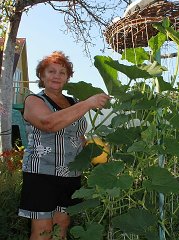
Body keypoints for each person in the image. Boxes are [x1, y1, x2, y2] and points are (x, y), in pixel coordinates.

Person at [18, 51, 110, 240]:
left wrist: (97, 154)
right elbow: (48, 124)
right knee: (43, 230)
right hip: (41, 174)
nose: (57, 76)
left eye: (62, 72)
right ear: (42, 76)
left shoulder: (73, 102)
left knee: (62, 225)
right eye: (51, 71)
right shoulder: (34, 100)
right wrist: (88, 103)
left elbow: (77, 136)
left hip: (70, 174)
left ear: (68, 77)